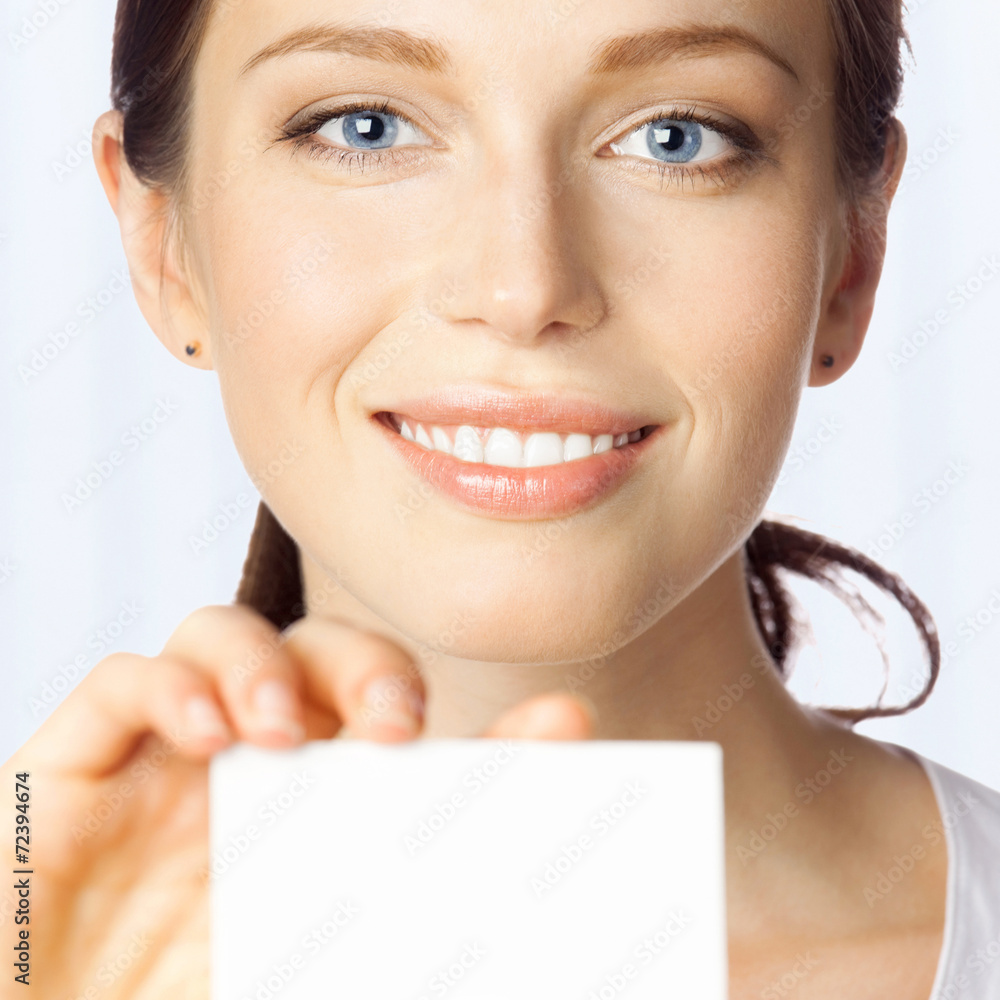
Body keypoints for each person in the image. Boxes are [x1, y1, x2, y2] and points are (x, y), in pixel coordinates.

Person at [3, 0, 999, 996]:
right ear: (161, 243)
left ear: (853, 254)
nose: (523, 287)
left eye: (675, 136)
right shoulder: (34, 946)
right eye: (366, 126)